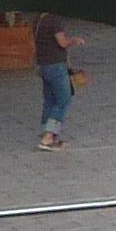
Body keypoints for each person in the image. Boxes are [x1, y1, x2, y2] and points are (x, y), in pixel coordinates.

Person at [33, 10, 81, 151]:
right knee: (63, 100)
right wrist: (74, 40)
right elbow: (62, 42)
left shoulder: (39, 19)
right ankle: (48, 137)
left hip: (44, 65)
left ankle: (48, 134)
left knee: (49, 101)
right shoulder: (54, 20)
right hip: (56, 66)